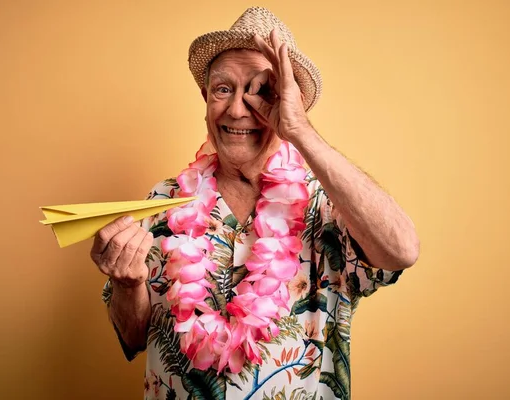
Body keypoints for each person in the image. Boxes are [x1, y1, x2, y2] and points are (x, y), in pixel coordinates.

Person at [92, 6, 419, 400]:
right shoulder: (163, 202)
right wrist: (128, 284)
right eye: (223, 89)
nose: (236, 109)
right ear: (205, 96)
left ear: (290, 101)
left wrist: (300, 131)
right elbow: (133, 337)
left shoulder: (330, 204)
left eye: (261, 91)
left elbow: (402, 251)